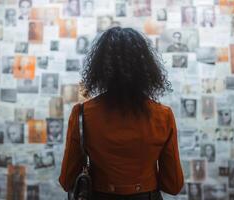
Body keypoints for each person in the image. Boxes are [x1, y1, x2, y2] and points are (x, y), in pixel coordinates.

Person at [59, 27, 184, 199]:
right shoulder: (163, 115)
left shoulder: (82, 113)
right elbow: (173, 185)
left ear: (100, 67)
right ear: (146, 68)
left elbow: (67, 180)